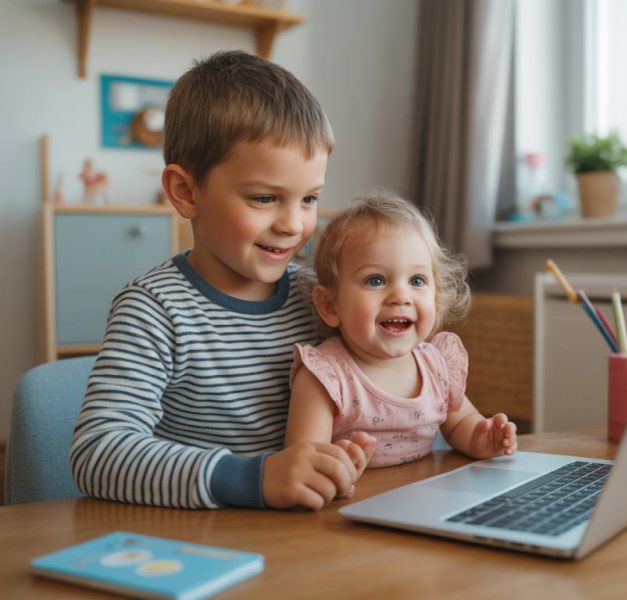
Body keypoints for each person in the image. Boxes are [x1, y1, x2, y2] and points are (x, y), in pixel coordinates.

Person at [69, 51, 376, 511]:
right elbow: (98, 453)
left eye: (310, 198)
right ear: (186, 192)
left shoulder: (317, 298)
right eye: (265, 198)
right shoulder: (154, 308)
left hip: (304, 537)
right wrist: (252, 477)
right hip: (197, 543)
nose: (294, 224)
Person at [285, 193, 518, 468]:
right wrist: (334, 466)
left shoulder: (436, 365)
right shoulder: (326, 377)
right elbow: (302, 462)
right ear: (330, 305)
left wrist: (482, 438)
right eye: (376, 280)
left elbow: (460, 423)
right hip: (351, 504)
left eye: (417, 280)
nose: (401, 296)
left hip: (424, 497)